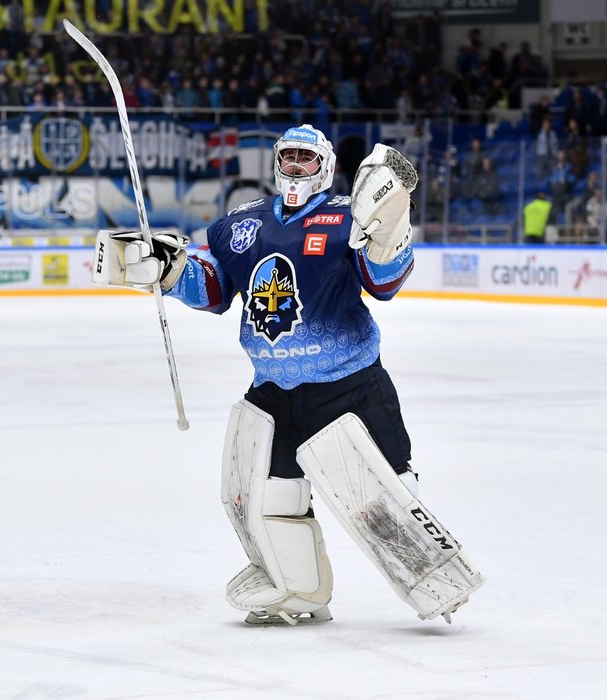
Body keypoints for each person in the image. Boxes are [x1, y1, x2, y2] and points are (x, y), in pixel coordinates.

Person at [90, 125, 484, 625]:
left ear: (325, 165)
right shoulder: (241, 224)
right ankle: (300, 591)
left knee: (388, 496)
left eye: (307, 157)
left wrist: (386, 231)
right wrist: (168, 271)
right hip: (274, 392)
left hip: (350, 385)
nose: (296, 165)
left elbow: (383, 284)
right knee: (271, 497)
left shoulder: (349, 217)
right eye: (289, 156)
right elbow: (213, 288)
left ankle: (436, 581)